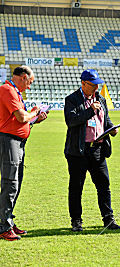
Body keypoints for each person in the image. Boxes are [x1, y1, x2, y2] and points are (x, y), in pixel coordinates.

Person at [64, 69, 120, 232]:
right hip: (78, 151)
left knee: (104, 185)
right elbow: (72, 121)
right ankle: (76, 221)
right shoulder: (72, 99)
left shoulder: (101, 99)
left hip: (98, 150)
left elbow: (106, 120)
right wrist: (91, 110)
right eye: (93, 85)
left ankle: (108, 219)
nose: (96, 88)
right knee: (76, 187)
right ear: (83, 83)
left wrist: (112, 128)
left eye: (98, 85)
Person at [0, 66, 48, 241]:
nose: (29, 86)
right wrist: (34, 112)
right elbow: (21, 117)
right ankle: (3, 226)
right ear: (22, 77)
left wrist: (35, 119)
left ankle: (8, 221)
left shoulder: (13, 92)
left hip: (16, 141)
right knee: (10, 182)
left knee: (16, 182)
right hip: (9, 141)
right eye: (30, 82)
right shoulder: (7, 90)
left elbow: (20, 121)